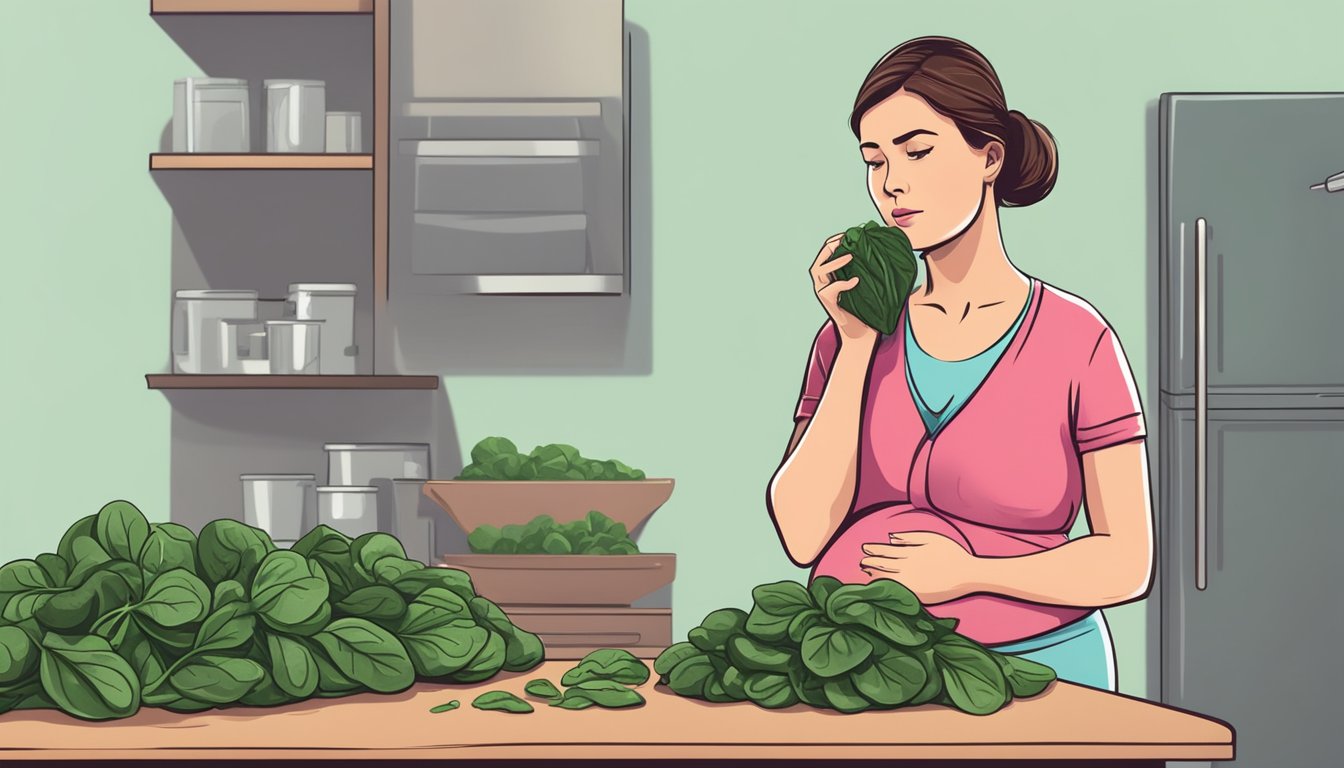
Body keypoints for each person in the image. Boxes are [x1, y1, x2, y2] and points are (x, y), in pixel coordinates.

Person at [765, 36, 1155, 692]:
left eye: (918, 151)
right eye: (874, 160)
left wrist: (970, 572)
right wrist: (858, 344)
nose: (892, 183)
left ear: (989, 157)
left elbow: (1127, 562)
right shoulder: (847, 337)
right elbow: (803, 534)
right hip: (862, 673)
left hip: (1038, 671)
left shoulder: (1076, 341)